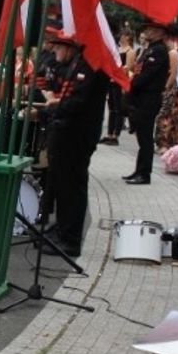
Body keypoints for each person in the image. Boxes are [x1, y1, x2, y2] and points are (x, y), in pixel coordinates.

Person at [38, 31, 109, 257]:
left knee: (71, 187)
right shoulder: (75, 63)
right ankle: (61, 229)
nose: (54, 50)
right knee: (61, 184)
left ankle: (70, 239)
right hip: (66, 131)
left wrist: (52, 107)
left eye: (58, 46)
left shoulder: (89, 65)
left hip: (78, 134)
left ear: (70, 47)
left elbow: (77, 102)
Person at [123, 21, 174, 185]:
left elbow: (147, 75)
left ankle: (144, 173)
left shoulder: (159, 50)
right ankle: (139, 170)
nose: (148, 31)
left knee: (145, 138)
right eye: (148, 29)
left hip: (149, 97)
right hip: (141, 97)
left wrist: (131, 84)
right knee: (141, 136)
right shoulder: (150, 48)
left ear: (161, 33)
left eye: (152, 29)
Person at [101, 28, 136, 145]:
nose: (121, 37)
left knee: (118, 108)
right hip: (112, 80)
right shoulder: (118, 49)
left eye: (124, 35)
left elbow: (129, 67)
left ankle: (116, 134)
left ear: (128, 37)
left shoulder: (130, 51)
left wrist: (117, 72)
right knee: (111, 108)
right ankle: (109, 133)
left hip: (119, 81)